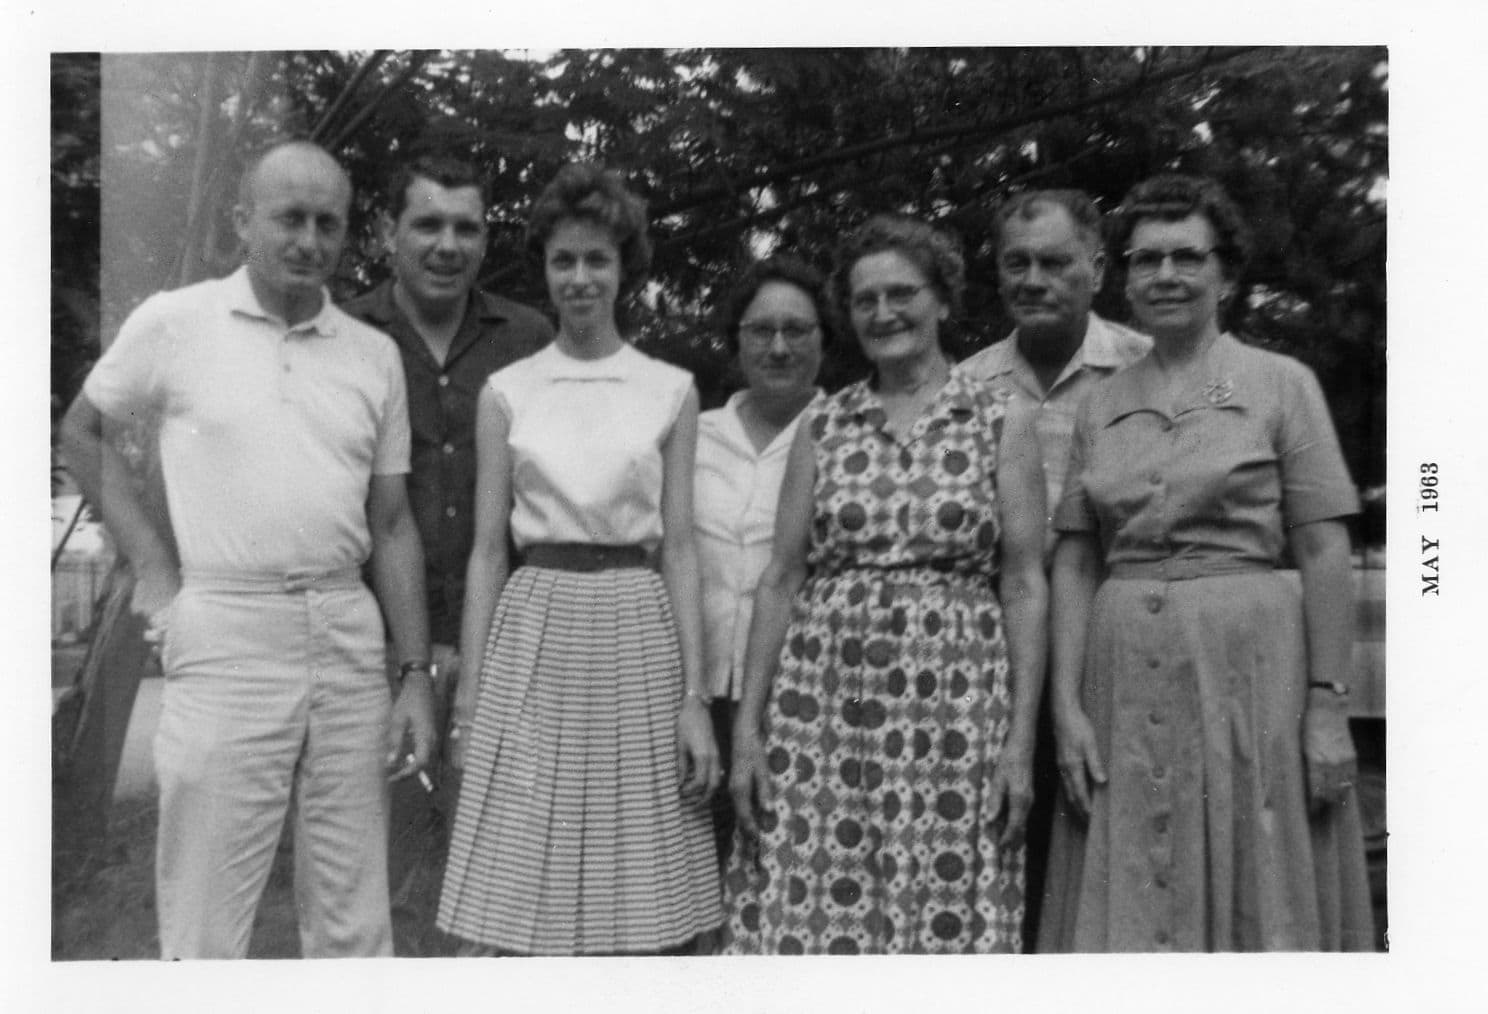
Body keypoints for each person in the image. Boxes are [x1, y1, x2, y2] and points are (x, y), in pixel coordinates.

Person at [58, 140, 436, 959]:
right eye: (289, 217)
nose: (309, 239)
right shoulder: (175, 322)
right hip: (226, 621)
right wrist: (157, 570)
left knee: (351, 911)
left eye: (327, 222)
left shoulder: (373, 356)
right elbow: (82, 432)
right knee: (204, 905)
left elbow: (393, 524)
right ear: (243, 221)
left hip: (347, 625)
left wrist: (412, 677)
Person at [1040, 174, 1374, 951]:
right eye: (1145, 259)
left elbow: (1325, 546)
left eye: (1186, 257)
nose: (1164, 276)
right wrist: (1066, 707)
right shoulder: (1101, 401)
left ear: (1227, 271)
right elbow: (1077, 560)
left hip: (1250, 669)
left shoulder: (1281, 385)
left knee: (1254, 854)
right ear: (1123, 277)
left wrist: (1328, 706)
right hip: (1119, 672)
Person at [724, 214, 1049, 954]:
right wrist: (748, 730)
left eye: (902, 293)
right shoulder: (825, 423)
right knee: (805, 905)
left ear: (942, 300)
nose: (883, 313)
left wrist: (1019, 742)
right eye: (865, 300)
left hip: (957, 714)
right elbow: (781, 577)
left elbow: (1026, 584)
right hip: (821, 712)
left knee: (941, 902)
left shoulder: (1002, 419)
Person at [436, 162, 722, 955]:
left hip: (635, 621)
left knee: (636, 857)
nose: (581, 277)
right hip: (537, 622)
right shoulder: (508, 390)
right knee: (526, 857)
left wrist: (693, 697)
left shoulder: (669, 388)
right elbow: (489, 553)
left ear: (625, 269)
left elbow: (683, 547)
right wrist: (469, 704)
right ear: (546, 270)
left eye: (598, 259)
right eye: (564, 260)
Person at [341, 154, 552, 954]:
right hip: (372, 643)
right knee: (376, 871)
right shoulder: (343, 331)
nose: (447, 244)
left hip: (504, 640)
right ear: (388, 232)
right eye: (427, 223)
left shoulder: (529, 339)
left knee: (501, 874)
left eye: (467, 227)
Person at [959, 189, 1150, 949]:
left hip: (1117, 644)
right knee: (1011, 843)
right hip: (994, 654)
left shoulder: (1144, 368)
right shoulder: (969, 386)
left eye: (1055, 262)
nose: (1034, 279)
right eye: (1017, 263)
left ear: (1096, 268)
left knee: (1111, 841)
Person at [694, 255, 829, 871]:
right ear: (736, 340)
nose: (778, 348)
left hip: (802, 698)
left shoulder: (844, 435)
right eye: (760, 331)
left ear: (825, 338)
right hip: (696, 695)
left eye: (796, 331)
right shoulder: (692, 436)